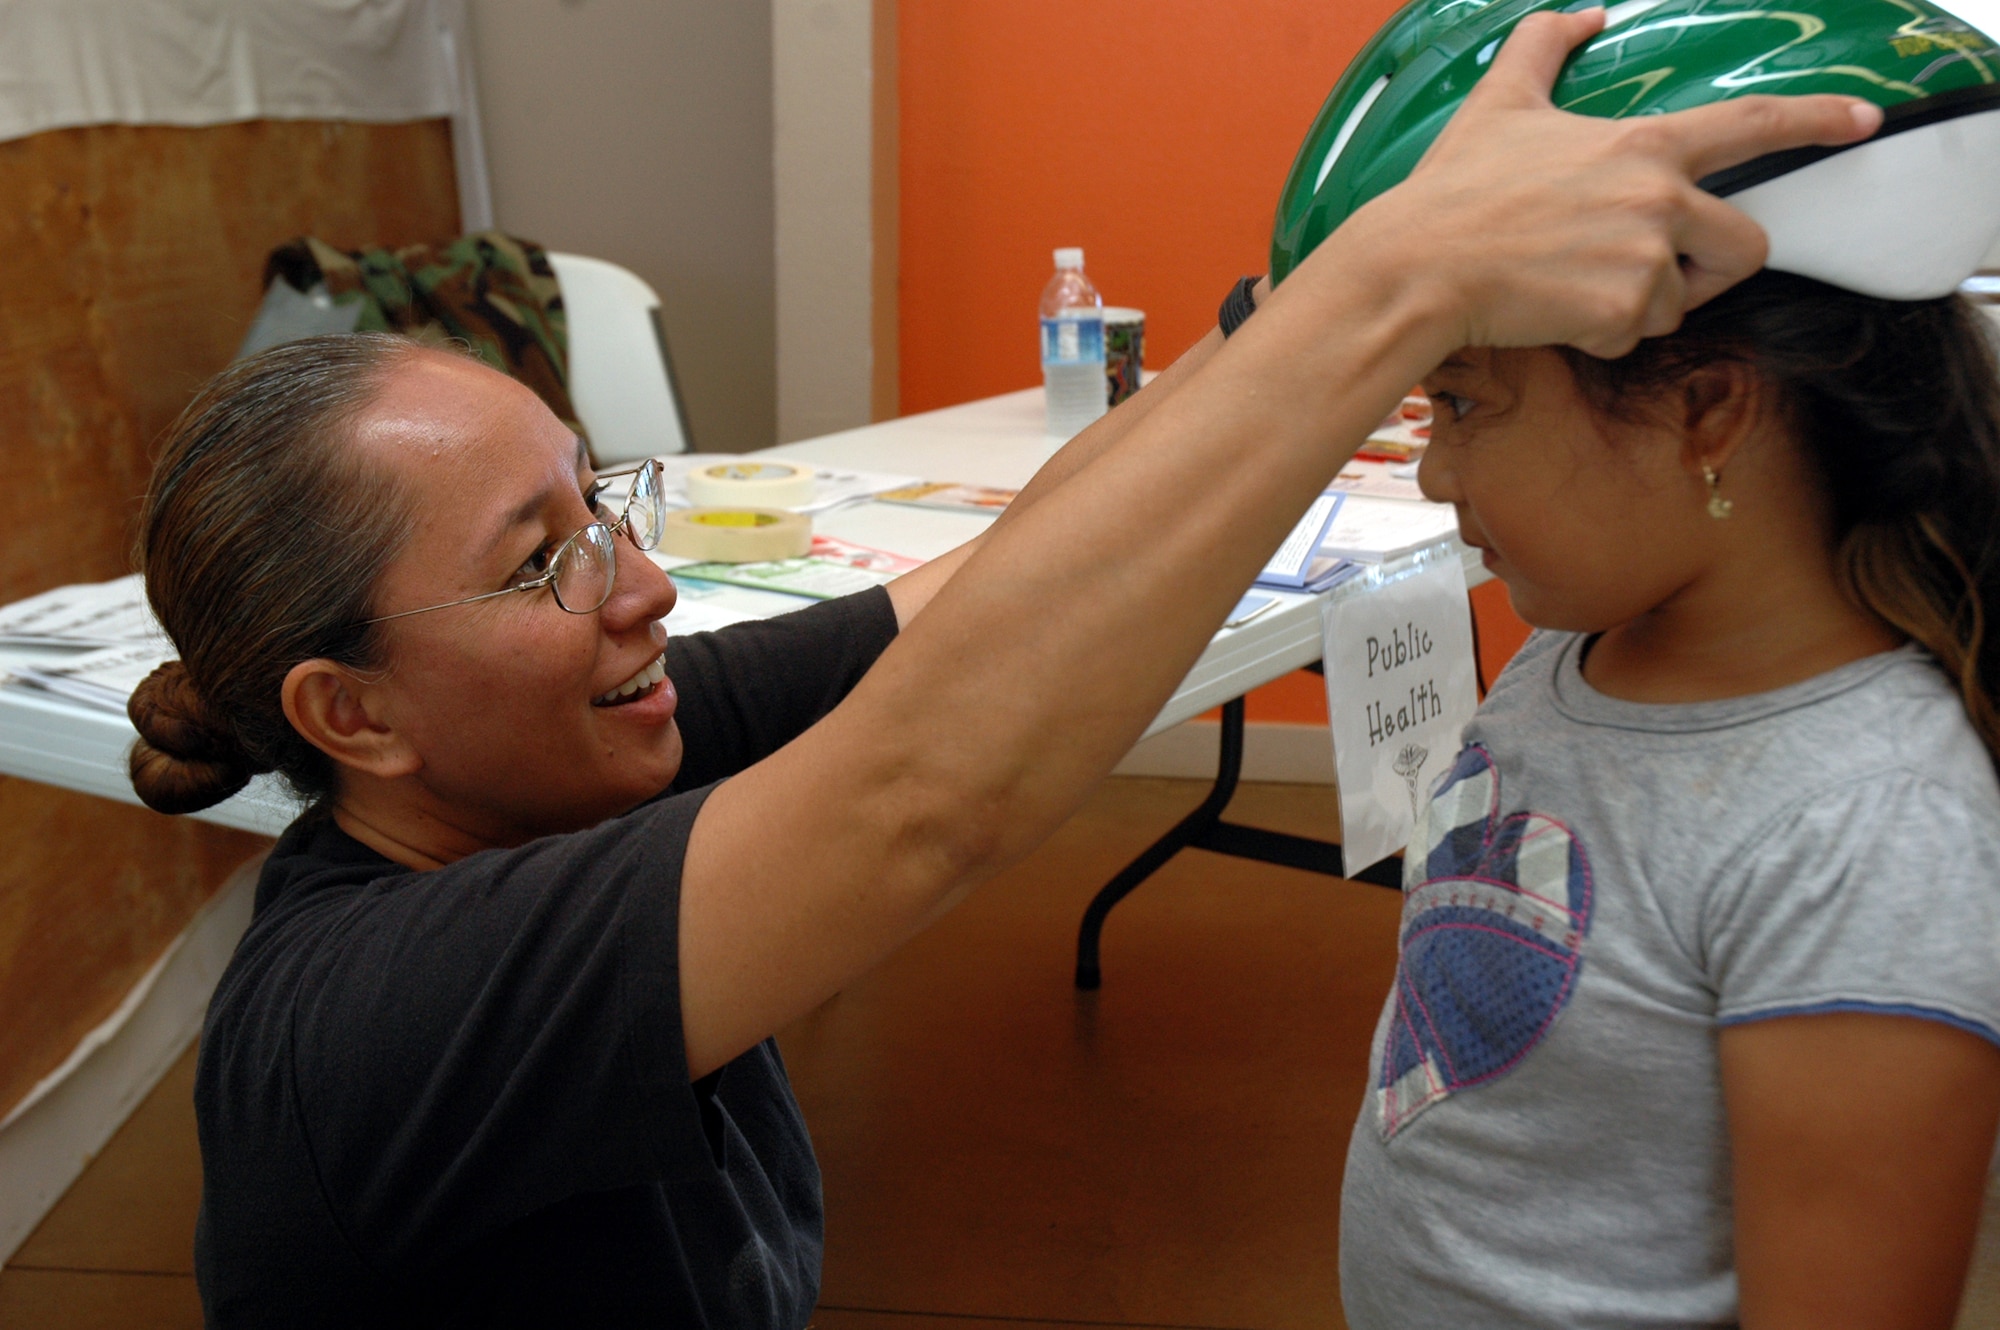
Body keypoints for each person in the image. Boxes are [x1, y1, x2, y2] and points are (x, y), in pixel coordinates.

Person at [121, 13, 1882, 1326]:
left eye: (605, 501)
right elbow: (927, 793)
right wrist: (1404, 296)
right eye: (542, 560)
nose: (642, 586)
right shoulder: (364, 1024)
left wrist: (1308, 306)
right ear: (349, 715)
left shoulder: (576, 757)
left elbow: (987, 592)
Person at [1338, 269, 2000, 1327]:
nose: (1429, 472)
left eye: (1461, 403)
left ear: (1703, 410)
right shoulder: (1575, 648)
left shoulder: (1868, 830)